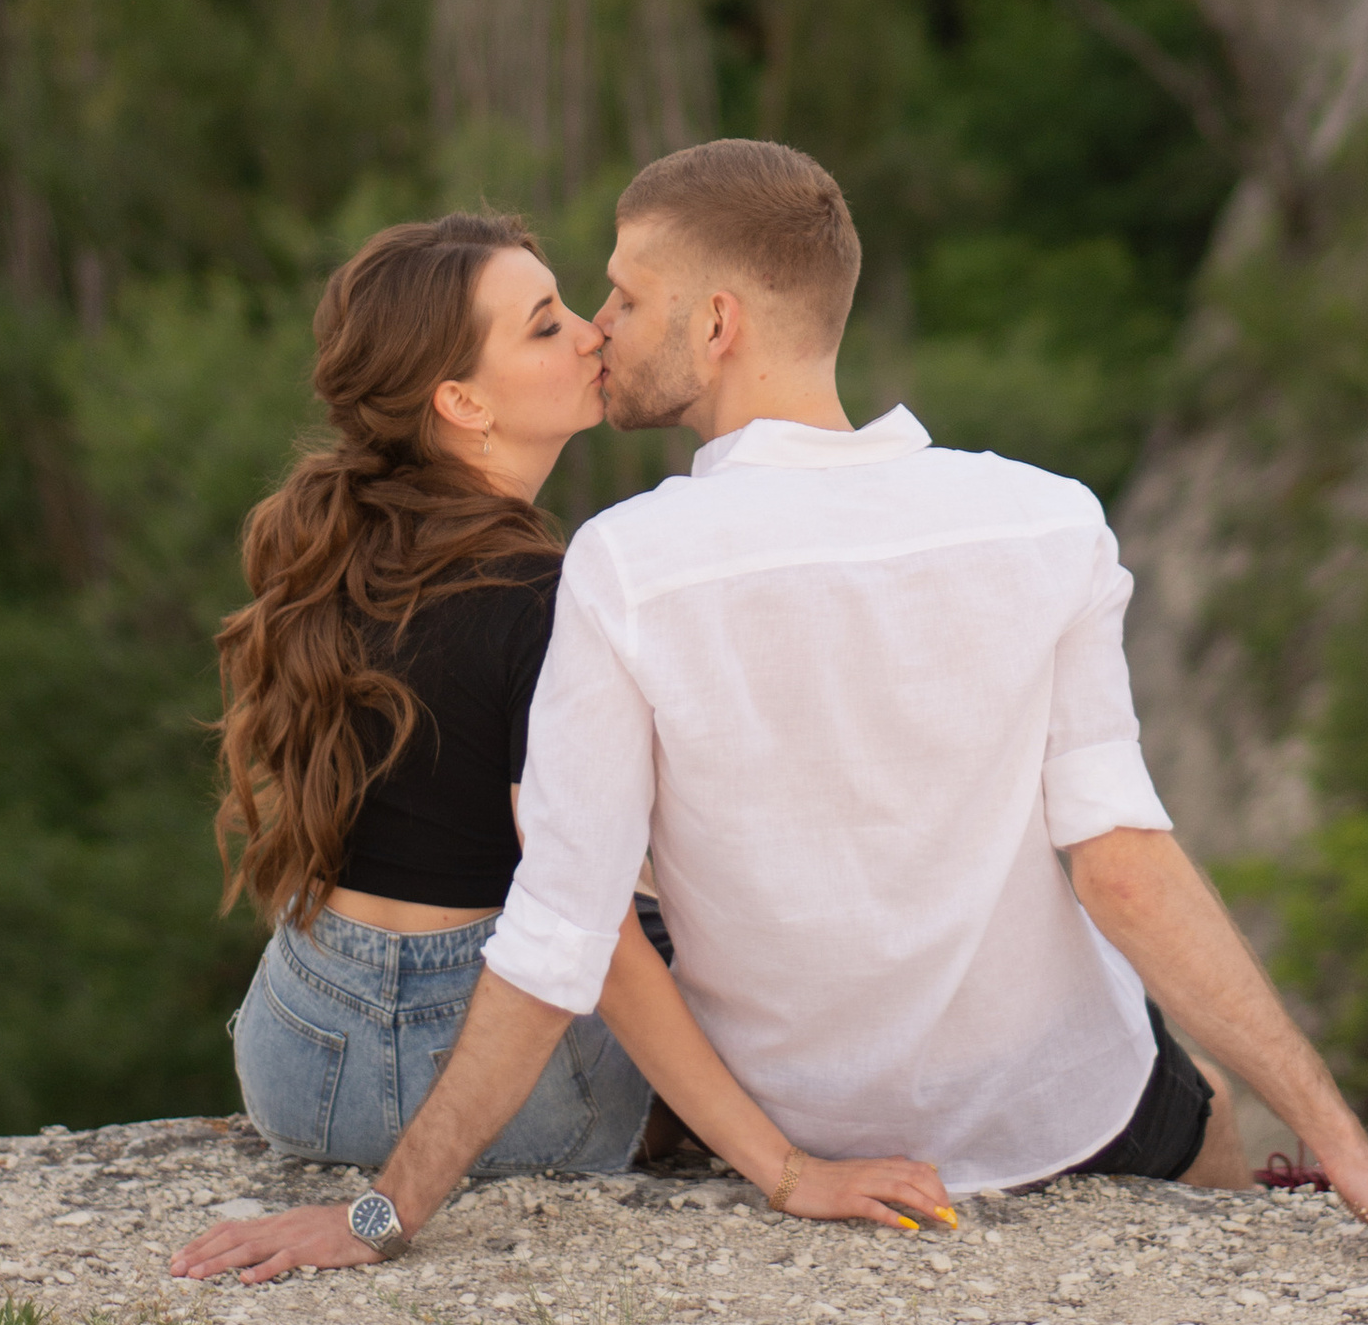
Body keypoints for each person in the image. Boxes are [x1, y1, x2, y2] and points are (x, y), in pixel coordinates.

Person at [176, 148, 1368, 1288]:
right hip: (1060, 1105)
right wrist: (1344, 1141)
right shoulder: (1048, 517)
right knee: (1201, 1113)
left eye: (620, 297)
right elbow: (1120, 862)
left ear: (713, 327)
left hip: (687, 1102)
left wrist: (384, 1215)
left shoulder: (628, 565)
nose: (599, 326)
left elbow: (562, 931)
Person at [208, 208, 950, 1230]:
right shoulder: (552, 596)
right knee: (679, 911)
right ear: (463, 400)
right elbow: (581, 925)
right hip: (517, 1102)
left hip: (294, 1064)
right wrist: (784, 1171)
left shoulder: (329, 554)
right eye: (546, 324)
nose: (594, 333)